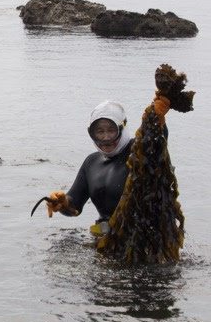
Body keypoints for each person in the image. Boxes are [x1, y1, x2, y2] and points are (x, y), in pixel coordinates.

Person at [45, 98, 170, 236]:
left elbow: (157, 141)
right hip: (104, 239)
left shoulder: (140, 151)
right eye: (99, 132)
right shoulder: (91, 162)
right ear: (91, 133)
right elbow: (74, 206)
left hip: (140, 242)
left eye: (111, 130)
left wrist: (157, 118)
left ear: (123, 127)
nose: (105, 138)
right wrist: (62, 203)